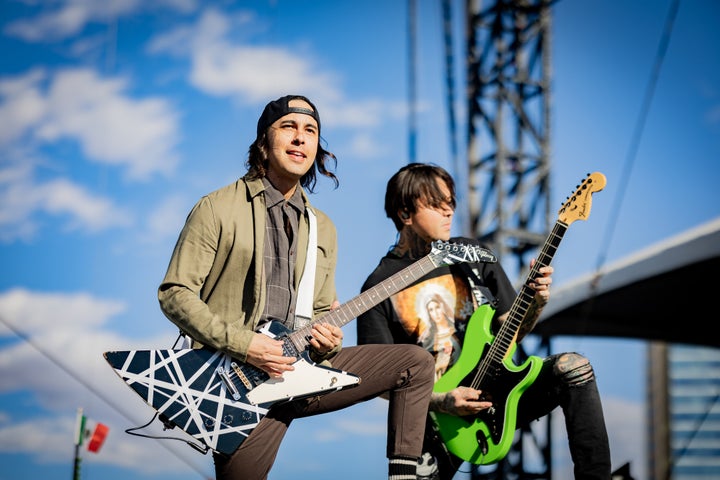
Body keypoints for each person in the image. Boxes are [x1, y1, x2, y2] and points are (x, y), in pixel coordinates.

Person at [158, 96, 435, 480]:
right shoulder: (216, 208)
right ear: (263, 143)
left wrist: (328, 339)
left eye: (310, 131)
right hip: (235, 384)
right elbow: (175, 293)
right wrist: (246, 344)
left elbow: (323, 311)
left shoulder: (323, 227)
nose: (300, 139)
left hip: (303, 368)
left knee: (415, 363)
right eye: (288, 127)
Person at [357, 163, 612, 479]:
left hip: (503, 392)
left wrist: (537, 302)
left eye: (451, 202)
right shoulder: (378, 286)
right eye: (437, 205)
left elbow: (512, 333)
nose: (448, 212)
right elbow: (377, 382)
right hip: (435, 419)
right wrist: (443, 401)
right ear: (405, 214)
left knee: (573, 367)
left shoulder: (472, 255)